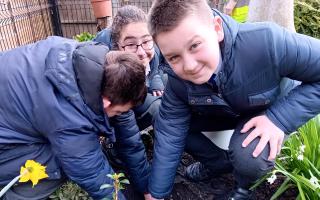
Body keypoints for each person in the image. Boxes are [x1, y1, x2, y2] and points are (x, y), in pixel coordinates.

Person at [146, 0, 320, 199]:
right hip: (222, 111)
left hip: (264, 112)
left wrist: (279, 119)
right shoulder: (177, 81)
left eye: (194, 45)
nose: (189, 65)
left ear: (217, 28)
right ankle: (217, 164)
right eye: (174, 57)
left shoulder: (267, 42)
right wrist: (157, 193)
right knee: (161, 118)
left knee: (250, 156)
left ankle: (244, 187)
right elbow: (170, 131)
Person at [0, 36, 150, 200]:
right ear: (106, 103)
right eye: (119, 112)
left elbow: (129, 137)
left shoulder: (96, 64)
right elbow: (92, 172)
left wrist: (146, 188)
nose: (120, 115)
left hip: (10, 115)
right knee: (62, 160)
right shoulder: (67, 116)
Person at [94, 5, 166, 130]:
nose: (142, 52)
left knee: (167, 81)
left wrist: (155, 80)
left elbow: (157, 66)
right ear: (116, 45)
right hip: (117, 105)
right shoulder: (104, 61)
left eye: (146, 41)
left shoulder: (152, 47)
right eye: (131, 44)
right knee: (158, 108)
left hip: (139, 88)